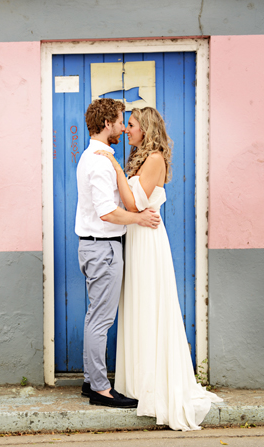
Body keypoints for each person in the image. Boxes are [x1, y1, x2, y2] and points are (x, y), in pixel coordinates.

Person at [95, 107, 222, 430]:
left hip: (147, 239)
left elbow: (135, 205)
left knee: (149, 304)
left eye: (132, 125)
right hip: (136, 235)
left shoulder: (154, 159)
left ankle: (152, 381)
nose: (127, 130)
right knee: (137, 306)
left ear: (146, 129)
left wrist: (113, 166)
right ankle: (137, 381)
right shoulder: (141, 157)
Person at [76, 98, 161, 408]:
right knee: (101, 320)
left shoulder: (98, 157)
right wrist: (139, 218)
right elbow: (107, 213)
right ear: (107, 124)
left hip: (98, 247)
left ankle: (90, 381)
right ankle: (100, 389)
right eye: (120, 121)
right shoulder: (98, 161)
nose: (124, 127)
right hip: (102, 248)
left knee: (94, 317)